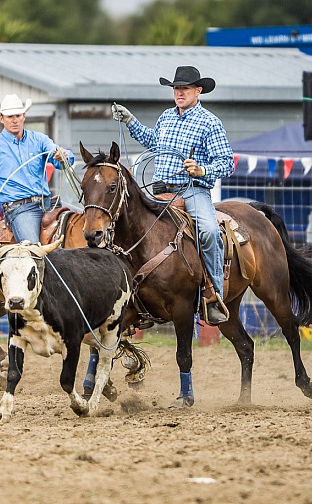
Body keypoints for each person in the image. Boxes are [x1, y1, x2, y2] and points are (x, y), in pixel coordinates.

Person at [112, 66, 234, 325]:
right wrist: (130, 120)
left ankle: (213, 295)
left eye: (185, 88)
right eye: (176, 88)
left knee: (209, 231)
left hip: (192, 190)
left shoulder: (210, 123)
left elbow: (226, 162)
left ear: (198, 91)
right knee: (129, 225)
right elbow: (154, 141)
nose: (179, 92)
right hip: (159, 189)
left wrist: (202, 169)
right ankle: (136, 297)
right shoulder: (166, 117)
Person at [0, 94, 75, 243]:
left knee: (85, 225)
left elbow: (58, 157)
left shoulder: (39, 140)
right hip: (20, 210)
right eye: (10, 116)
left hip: (48, 203)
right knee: (33, 250)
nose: (14, 120)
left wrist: (63, 156)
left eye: (18, 115)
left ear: (24, 116)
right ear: (1, 118)